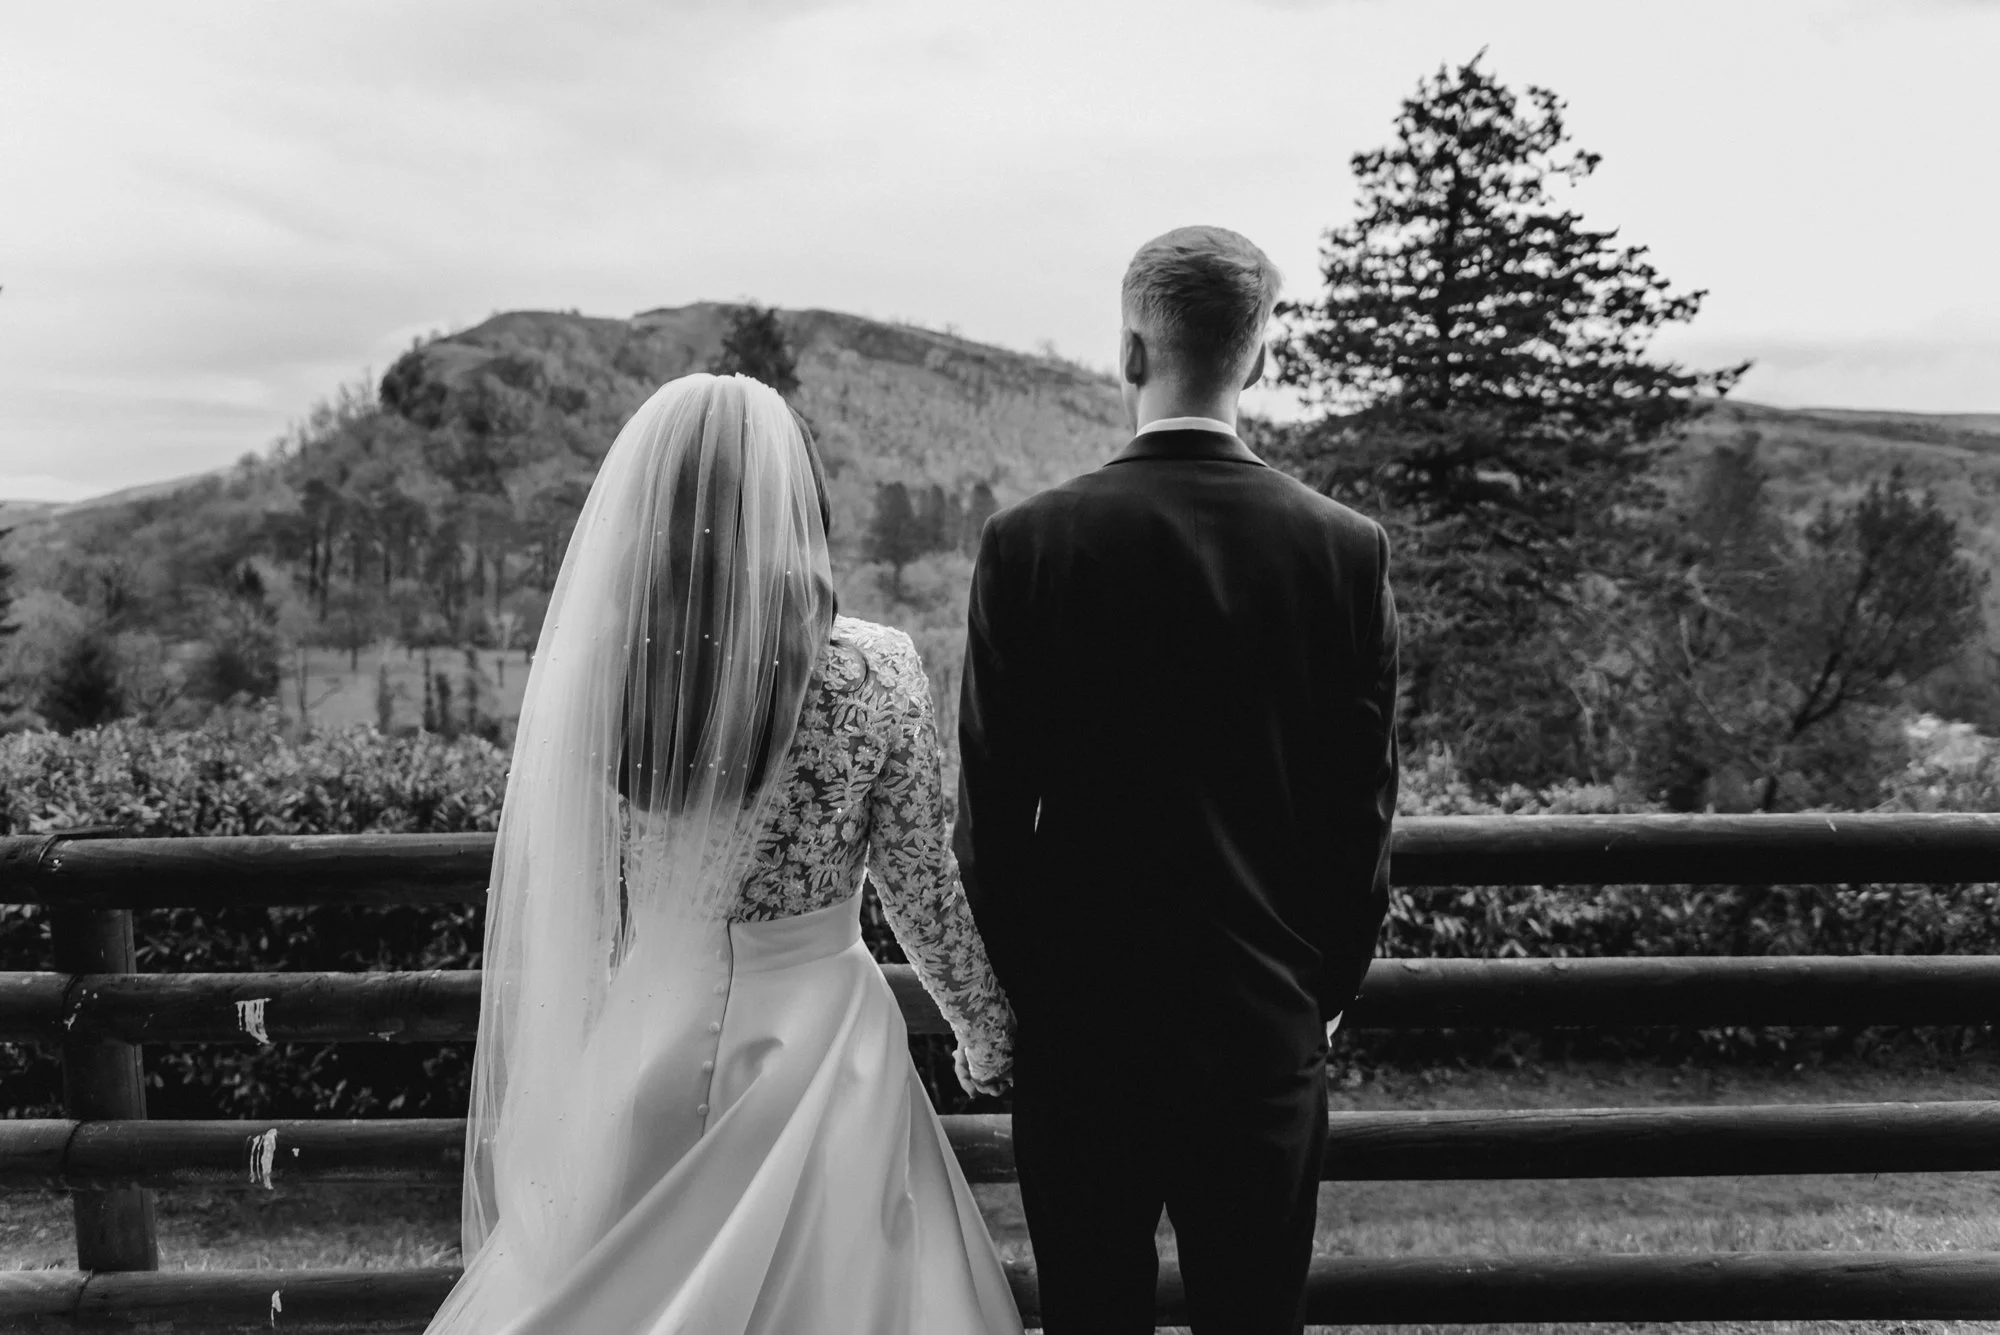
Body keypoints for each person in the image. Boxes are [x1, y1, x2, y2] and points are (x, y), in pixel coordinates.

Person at [424, 372, 1023, 1335]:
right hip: (822, 1056)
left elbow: (577, 887)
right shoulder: (873, 668)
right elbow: (921, 890)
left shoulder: (612, 671)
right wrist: (989, 1033)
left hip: (645, 1042)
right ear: (799, 498)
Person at [955, 225, 1400, 1334]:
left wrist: (1039, 997)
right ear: (1258, 360)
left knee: (1090, 1314)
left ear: (1126, 353)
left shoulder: (1029, 545)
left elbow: (989, 826)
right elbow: (1359, 818)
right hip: (1260, 1025)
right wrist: (1317, 995)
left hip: (1085, 1033)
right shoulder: (1343, 551)